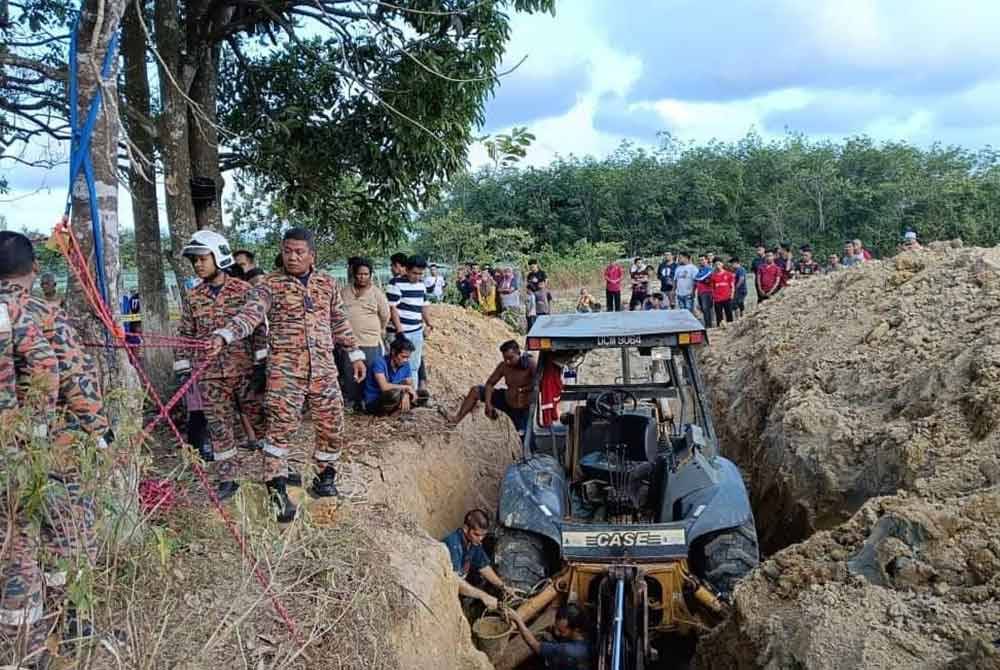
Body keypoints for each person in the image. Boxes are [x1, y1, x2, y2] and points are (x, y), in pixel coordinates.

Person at [208, 228, 366, 520]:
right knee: (279, 431)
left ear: (311, 255)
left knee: (332, 425)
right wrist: (225, 334)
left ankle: (324, 478)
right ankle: (277, 489)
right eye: (287, 251)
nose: (292, 257)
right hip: (285, 373)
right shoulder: (269, 285)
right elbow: (250, 315)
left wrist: (354, 352)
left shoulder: (326, 284)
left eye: (299, 252)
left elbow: (338, 320)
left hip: (323, 370)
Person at [0, 232, 61, 668]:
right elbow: (47, 370)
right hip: (13, 451)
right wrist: (35, 436)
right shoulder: (23, 313)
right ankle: (25, 652)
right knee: (20, 546)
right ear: (31, 269)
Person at [177, 230, 267, 500]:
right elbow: (185, 334)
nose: (198, 264)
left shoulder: (243, 291)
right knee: (219, 428)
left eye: (203, 258)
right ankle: (228, 478)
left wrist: (262, 364)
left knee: (261, 421)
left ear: (219, 257)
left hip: (244, 371)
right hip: (210, 375)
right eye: (194, 260)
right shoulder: (193, 297)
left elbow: (260, 328)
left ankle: (276, 471)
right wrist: (184, 369)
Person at [445, 340, 535, 442]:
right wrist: (488, 404)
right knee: (476, 391)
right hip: (507, 399)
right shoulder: (504, 366)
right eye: (505, 358)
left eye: (510, 358)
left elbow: (540, 384)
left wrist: (524, 389)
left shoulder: (530, 365)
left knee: (527, 440)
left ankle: (535, 455)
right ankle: (455, 420)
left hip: (521, 409)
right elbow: (490, 384)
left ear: (518, 353)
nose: (507, 362)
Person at [341, 258, 394, 409]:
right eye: (359, 274)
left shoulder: (376, 293)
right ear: (354, 274)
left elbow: (385, 315)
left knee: (370, 373)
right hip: (350, 342)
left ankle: (368, 402)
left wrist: (378, 329)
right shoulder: (344, 292)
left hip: (371, 341)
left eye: (365, 274)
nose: (362, 277)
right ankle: (352, 402)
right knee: (350, 373)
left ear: (370, 275)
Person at [441, 510, 512, 611]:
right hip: (444, 589)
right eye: (477, 534)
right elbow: (454, 581)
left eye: (483, 535)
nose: (481, 539)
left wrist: (503, 586)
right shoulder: (454, 545)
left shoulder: (473, 542)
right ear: (466, 528)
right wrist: (483, 596)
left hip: (458, 587)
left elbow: (484, 566)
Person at [386, 255, 434, 390]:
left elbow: (424, 306)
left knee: (414, 365)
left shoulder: (421, 285)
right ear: (406, 270)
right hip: (399, 333)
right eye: (414, 273)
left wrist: (429, 323)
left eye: (420, 274)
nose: (417, 276)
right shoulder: (395, 283)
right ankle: (395, 396)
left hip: (416, 331)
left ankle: (411, 395)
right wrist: (400, 331)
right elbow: (392, 308)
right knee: (396, 364)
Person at [509, 603, 591, 670]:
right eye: (557, 628)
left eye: (561, 631)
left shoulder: (567, 650)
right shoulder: (587, 637)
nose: (557, 632)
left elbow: (534, 644)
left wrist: (518, 620)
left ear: (576, 630)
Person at [363, 336, 418, 415]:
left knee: (422, 394)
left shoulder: (406, 364)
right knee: (392, 394)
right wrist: (406, 388)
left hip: (397, 395)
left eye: (408, 357)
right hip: (375, 401)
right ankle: (394, 411)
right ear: (393, 352)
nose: (406, 360)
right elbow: (384, 387)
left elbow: (409, 383)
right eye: (403, 356)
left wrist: (406, 394)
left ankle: (398, 409)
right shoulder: (379, 362)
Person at [708, 259, 735, 326]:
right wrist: (713, 296)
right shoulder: (713, 276)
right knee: (719, 315)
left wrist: (732, 294)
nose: (718, 266)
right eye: (716, 264)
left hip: (727, 297)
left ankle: (730, 327)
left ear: (722, 264)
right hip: (717, 299)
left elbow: (732, 286)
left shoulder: (729, 274)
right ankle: (719, 328)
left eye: (719, 264)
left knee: (729, 314)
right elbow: (712, 288)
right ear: (714, 265)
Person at [694, 255, 714, 327]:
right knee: (702, 309)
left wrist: (700, 278)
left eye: (702, 260)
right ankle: (707, 324)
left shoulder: (709, 269)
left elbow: (699, 278)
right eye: (699, 260)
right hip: (700, 292)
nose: (701, 261)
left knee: (706, 309)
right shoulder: (700, 269)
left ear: (706, 260)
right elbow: (696, 278)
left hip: (707, 292)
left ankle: (708, 326)